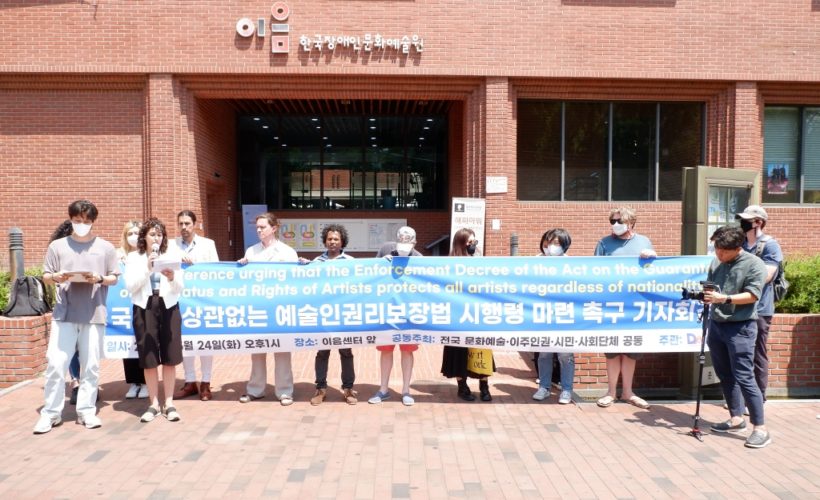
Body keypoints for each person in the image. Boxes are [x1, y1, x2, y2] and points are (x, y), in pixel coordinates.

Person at [34, 200, 119, 434]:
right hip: (64, 312)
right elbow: (46, 275)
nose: (82, 224)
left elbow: (114, 277)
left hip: (94, 312)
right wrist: (57, 276)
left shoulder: (105, 247)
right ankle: (51, 413)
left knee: (91, 366)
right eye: (77, 220)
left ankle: (86, 411)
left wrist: (99, 278)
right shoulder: (58, 246)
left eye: (86, 221)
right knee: (56, 364)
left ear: (93, 221)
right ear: (71, 219)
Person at [703, 226, 771, 449]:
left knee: (744, 375)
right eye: (716, 249)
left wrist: (724, 298)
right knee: (724, 373)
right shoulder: (716, 262)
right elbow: (711, 288)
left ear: (738, 248)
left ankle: (760, 428)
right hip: (717, 325)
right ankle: (736, 418)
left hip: (741, 327)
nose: (719, 254)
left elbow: (752, 295)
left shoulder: (754, 264)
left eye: (723, 251)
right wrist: (706, 295)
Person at [594, 207, 656, 410]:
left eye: (619, 221)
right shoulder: (604, 243)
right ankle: (611, 392)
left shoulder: (644, 242)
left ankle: (628, 392)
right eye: (612, 221)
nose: (615, 225)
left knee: (631, 350)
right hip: (611, 304)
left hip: (635, 305)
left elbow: (654, 272)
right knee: (612, 350)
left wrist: (652, 257)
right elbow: (593, 271)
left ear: (631, 222)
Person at [124, 218, 185, 423]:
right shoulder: (134, 257)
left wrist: (171, 277)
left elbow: (180, 287)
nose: (156, 238)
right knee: (148, 355)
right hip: (144, 306)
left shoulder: (172, 254)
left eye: (159, 235)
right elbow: (131, 286)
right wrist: (148, 269)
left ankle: (169, 403)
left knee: (170, 355)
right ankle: (153, 403)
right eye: (152, 234)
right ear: (144, 237)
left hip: (168, 305)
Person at [238, 212, 299, 406]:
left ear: (274, 228)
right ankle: (255, 390)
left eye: (262, 227)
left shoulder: (287, 252)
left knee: (282, 351)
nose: (259, 230)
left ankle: (284, 391)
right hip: (258, 307)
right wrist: (241, 267)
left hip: (280, 307)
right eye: (257, 227)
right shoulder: (251, 252)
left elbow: (295, 279)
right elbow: (245, 280)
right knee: (257, 350)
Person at [305, 224, 358, 406]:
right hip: (323, 315)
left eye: (336, 239)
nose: (333, 242)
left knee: (346, 352)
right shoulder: (317, 262)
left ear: (342, 242)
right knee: (322, 352)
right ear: (325, 241)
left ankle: (348, 389)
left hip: (343, 315)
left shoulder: (351, 262)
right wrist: (303, 267)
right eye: (329, 239)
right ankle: (320, 388)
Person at [369, 226, 421, 406]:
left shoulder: (419, 259)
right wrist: (381, 264)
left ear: (414, 243)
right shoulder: (386, 249)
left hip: (408, 312)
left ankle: (406, 390)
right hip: (387, 311)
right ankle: (383, 389)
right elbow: (370, 274)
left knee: (407, 350)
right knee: (386, 350)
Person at [440, 228, 493, 402]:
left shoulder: (480, 263)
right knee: (459, 351)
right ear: (461, 243)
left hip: (477, 314)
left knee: (482, 349)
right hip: (458, 315)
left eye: (474, 242)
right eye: (470, 242)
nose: (473, 245)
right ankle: (462, 386)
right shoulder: (449, 265)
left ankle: (484, 386)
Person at [172, 210, 220, 402]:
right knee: (185, 341)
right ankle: (190, 381)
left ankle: (206, 382)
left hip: (202, 298)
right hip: (180, 299)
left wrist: (196, 265)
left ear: (194, 224)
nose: (184, 227)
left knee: (205, 341)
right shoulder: (171, 245)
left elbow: (215, 270)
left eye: (187, 223)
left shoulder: (208, 244)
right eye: (181, 224)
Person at [736, 205, 782, 403]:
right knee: (738, 353)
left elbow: (767, 275)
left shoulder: (770, 245)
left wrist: (740, 278)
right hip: (738, 307)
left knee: (757, 353)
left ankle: (757, 399)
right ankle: (738, 399)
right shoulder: (740, 243)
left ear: (758, 222)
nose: (743, 223)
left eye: (747, 220)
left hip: (760, 309)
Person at [532, 228, 575, 405]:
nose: (551, 246)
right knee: (544, 354)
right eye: (548, 242)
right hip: (543, 314)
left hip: (564, 314)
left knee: (565, 355)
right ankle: (544, 387)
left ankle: (566, 390)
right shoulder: (536, 262)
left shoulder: (571, 265)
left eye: (556, 243)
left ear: (565, 245)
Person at [116, 220, 147, 400]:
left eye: (137, 233)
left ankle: (145, 382)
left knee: (144, 343)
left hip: (142, 305)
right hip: (122, 307)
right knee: (127, 344)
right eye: (130, 233)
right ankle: (134, 382)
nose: (134, 237)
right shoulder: (118, 256)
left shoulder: (147, 254)